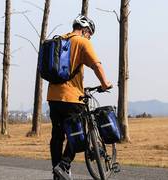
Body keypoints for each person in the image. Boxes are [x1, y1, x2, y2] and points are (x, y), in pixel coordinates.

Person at [47, 14, 113, 180]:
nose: (90, 37)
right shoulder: (82, 42)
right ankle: (65, 164)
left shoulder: (59, 40)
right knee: (78, 133)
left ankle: (57, 172)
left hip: (53, 96)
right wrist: (105, 83)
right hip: (72, 97)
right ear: (85, 30)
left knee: (57, 135)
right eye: (90, 33)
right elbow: (96, 65)